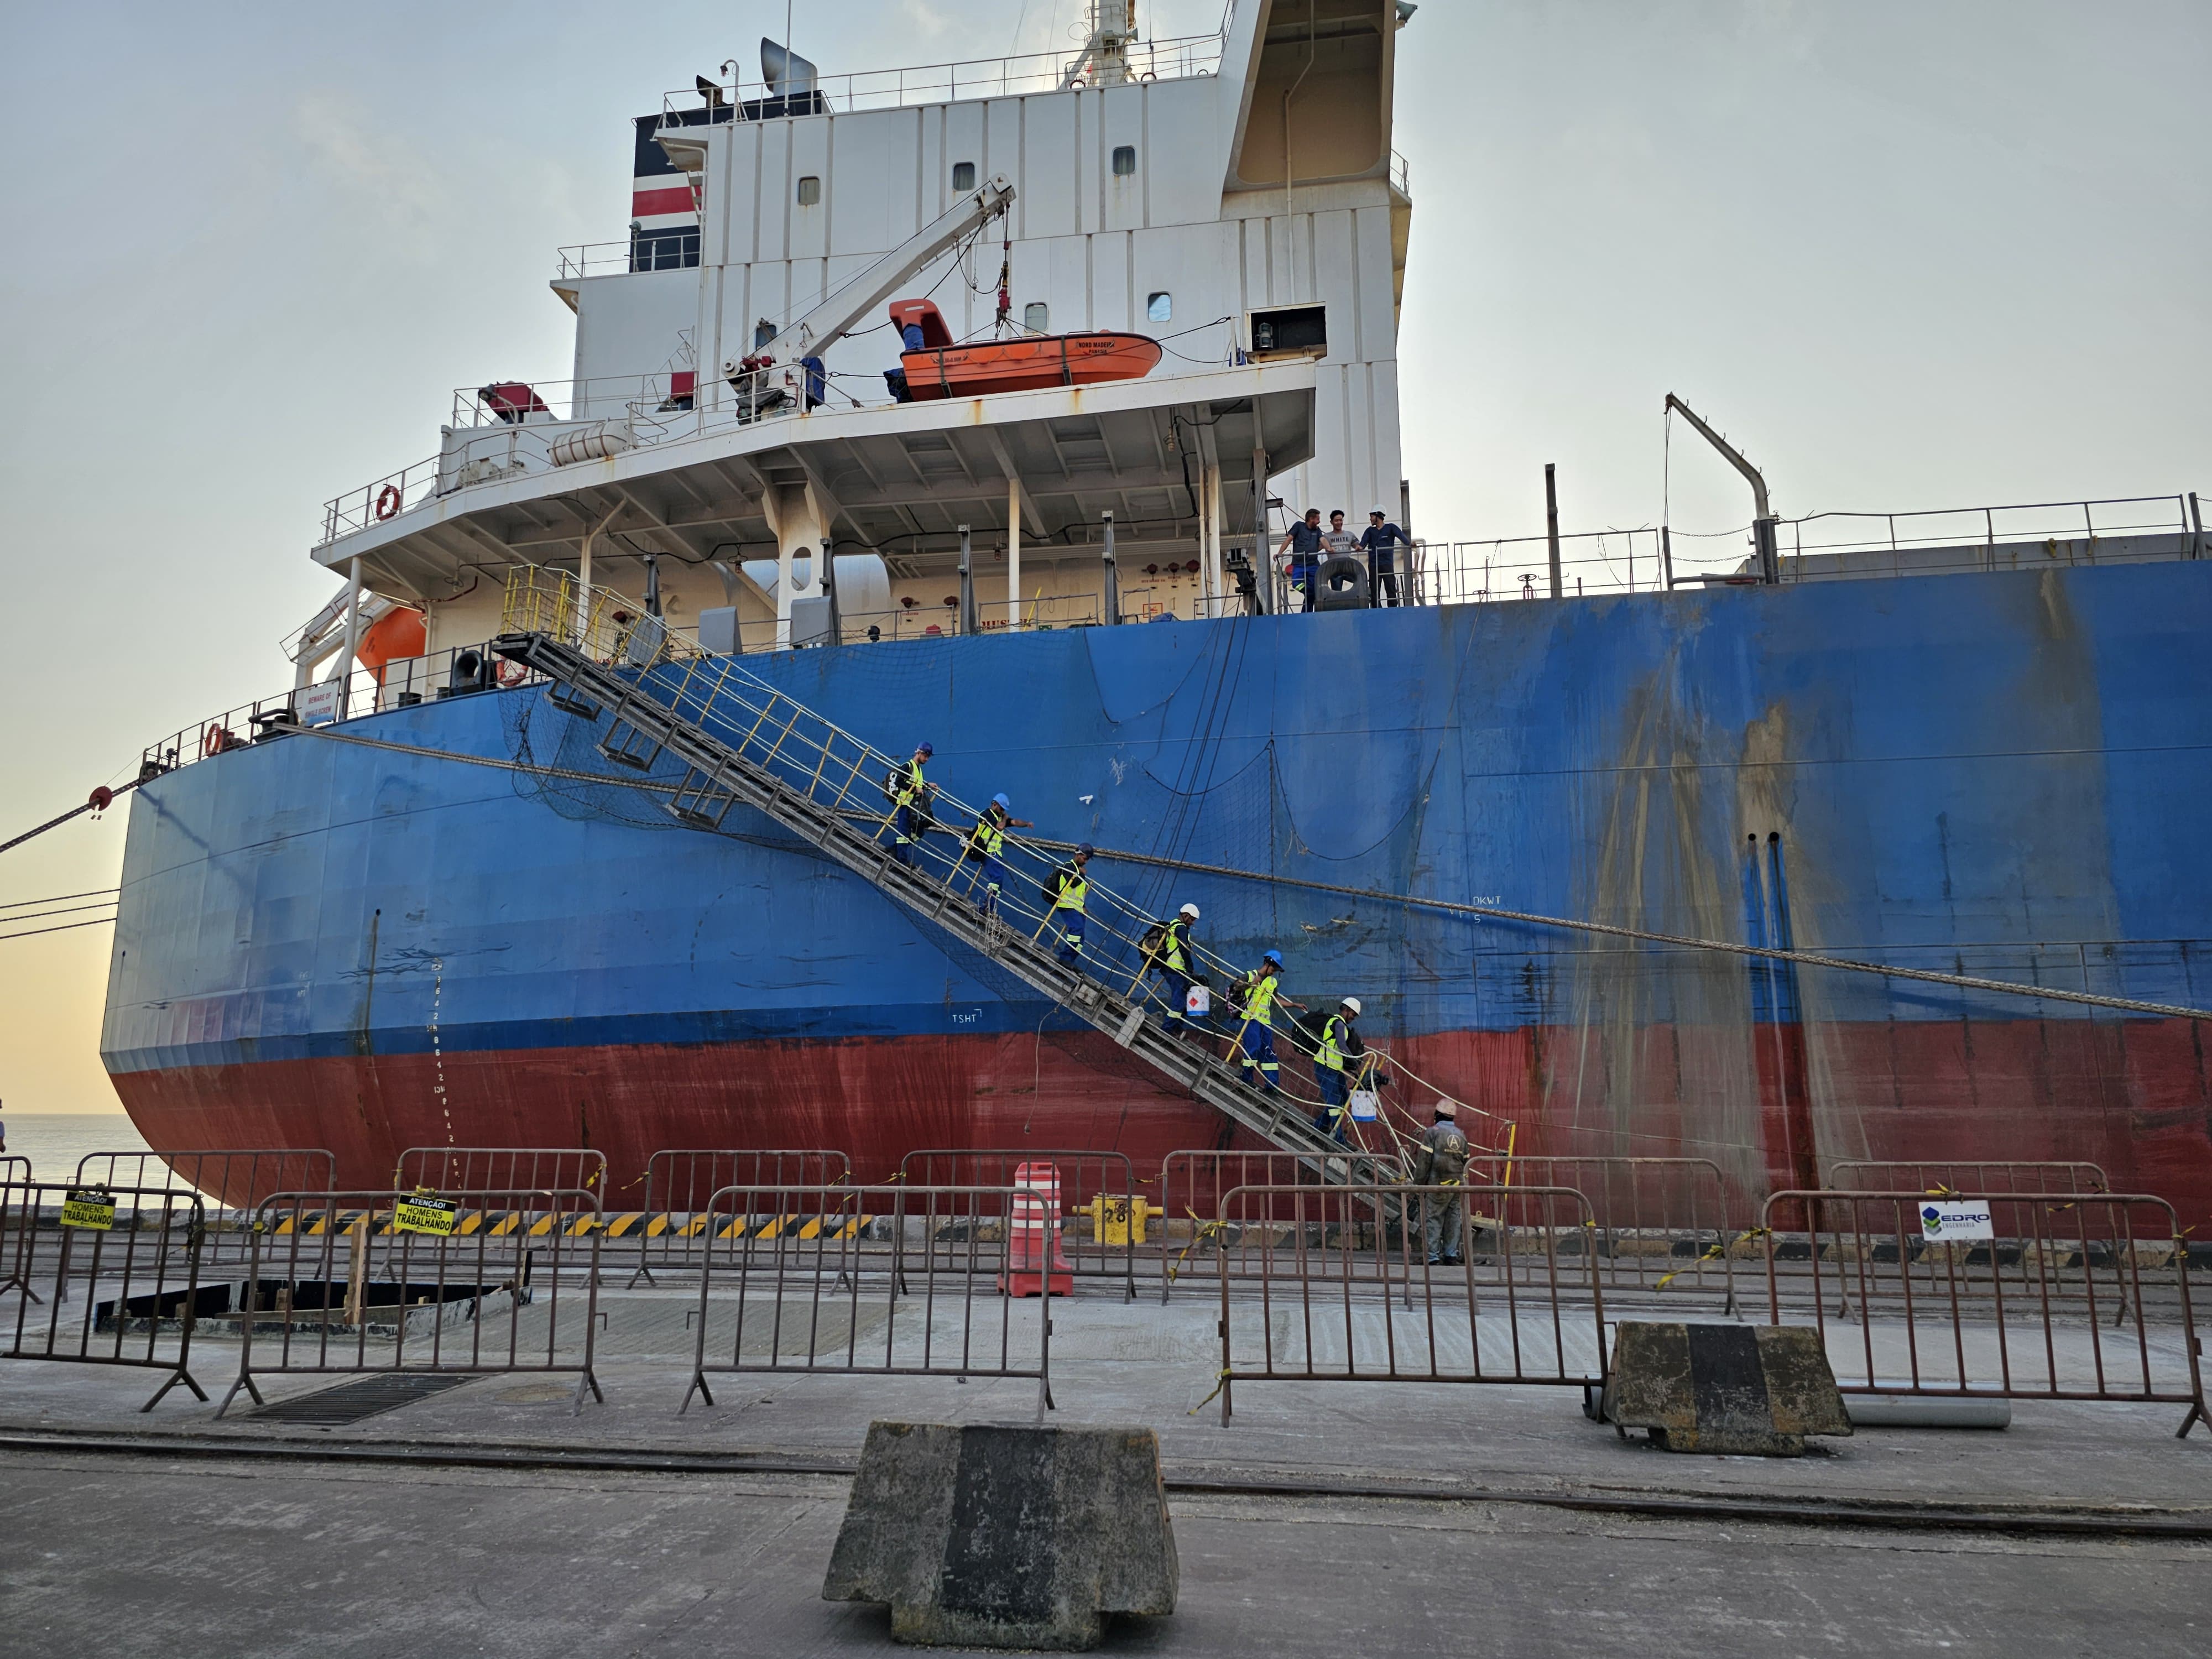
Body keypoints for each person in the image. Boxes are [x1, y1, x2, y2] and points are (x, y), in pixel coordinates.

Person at [1410, 1100, 1472, 1265]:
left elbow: (1424, 1161)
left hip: (1438, 1184)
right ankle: (1451, 1255)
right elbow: (1466, 1162)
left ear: (1437, 1115)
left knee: (1434, 1218)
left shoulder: (1433, 1132)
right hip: (1457, 1185)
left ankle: (1432, 1257)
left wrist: (1418, 1184)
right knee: (1453, 1219)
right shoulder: (1461, 1134)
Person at [1233, 949, 1303, 1094]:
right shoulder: (1250, 975)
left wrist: (1294, 1005)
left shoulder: (1272, 982)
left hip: (1265, 1023)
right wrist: (1252, 983)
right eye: (1274, 968)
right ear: (1267, 963)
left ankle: (1272, 1086)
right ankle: (1245, 1079)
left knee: (1268, 1052)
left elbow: (1276, 999)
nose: (1274, 972)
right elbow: (1235, 987)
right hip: (1251, 1020)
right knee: (1253, 1048)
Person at [964, 792, 1032, 917]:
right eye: (1002, 809)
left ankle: (990, 908)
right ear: (994, 804)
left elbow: (1015, 822)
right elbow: (1000, 827)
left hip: (996, 854)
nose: (1003, 812)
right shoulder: (987, 814)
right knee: (996, 879)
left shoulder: (998, 816)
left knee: (998, 883)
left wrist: (1026, 824)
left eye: (1004, 810)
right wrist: (1005, 818)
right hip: (988, 852)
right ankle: (986, 908)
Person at [1310, 996, 1366, 1142]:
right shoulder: (1338, 1024)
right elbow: (1342, 1045)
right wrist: (1355, 1064)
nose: (1353, 1018)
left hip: (1334, 1068)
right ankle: (1339, 1139)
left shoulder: (1342, 1026)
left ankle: (1320, 1125)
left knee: (1344, 1098)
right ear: (1346, 1010)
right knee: (1334, 1102)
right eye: (1353, 1014)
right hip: (1325, 1067)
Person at [1151, 902, 1201, 1033]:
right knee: (1179, 1003)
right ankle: (1166, 1031)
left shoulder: (1172, 925)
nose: (1193, 923)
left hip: (1172, 969)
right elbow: (1184, 949)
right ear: (1185, 916)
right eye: (1192, 920)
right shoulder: (1181, 928)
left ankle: (1176, 1029)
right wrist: (1190, 969)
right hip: (1175, 970)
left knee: (1184, 1002)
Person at [886, 741, 933, 866]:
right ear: (918, 753)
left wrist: (927, 785)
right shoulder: (908, 766)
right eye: (926, 756)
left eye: (928, 756)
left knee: (919, 833)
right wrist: (914, 789)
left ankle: (894, 847)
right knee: (904, 833)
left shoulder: (918, 769)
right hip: (905, 805)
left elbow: (917, 784)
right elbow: (898, 782)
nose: (927, 759)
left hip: (913, 807)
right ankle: (902, 860)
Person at [1045, 842, 1093, 963]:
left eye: (1087, 859)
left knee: (1081, 938)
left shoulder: (1078, 870)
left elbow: (1079, 893)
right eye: (1085, 858)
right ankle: (1065, 958)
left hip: (1077, 908)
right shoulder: (1069, 866)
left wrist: (1084, 906)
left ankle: (1071, 961)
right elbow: (1073, 883)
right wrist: (1082, 874)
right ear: (1078, 854)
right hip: (1067, 905)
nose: (1086, 861)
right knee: (1076, 930)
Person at [1277, 508, 1323, 612]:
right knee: (1297, 584)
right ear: (1311, 519)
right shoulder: (1299, 526)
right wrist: (1280, 553)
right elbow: (1289, 539)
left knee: (1314, 589)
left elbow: (1322, 542)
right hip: (1299, 564)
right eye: (1317, 519)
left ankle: (1307, 612)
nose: (1319, 521)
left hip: (1313, 565)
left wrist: (1327, 548)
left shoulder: (1318, 530)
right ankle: (1309, 596)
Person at [1361, 508, 1408, 606]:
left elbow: (1401, 536)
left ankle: (1392, 609)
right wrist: (1358, 547)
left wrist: (1410, 543)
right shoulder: (1370, 531)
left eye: (1372, 517)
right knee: (1374, 589)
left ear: (1378, 516)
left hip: (1387, 564)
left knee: (1390, 587)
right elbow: (1362, 544)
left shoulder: (1391, 528)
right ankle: (1377, 609)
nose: (1370, 519)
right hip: (1374, 565)